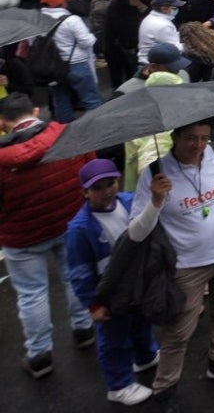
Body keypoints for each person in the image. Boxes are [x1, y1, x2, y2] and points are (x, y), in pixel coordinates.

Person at [128, 119, 214, 409]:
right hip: (187, 266)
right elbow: (136, 232)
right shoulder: (154, 173)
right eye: (190, 139)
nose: (198, 146)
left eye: (203, 137)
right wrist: (156, 201)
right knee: (178, 331)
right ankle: (165, 389)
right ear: (174, 137)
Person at [0, 93, 94, 379]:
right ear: (36, 111)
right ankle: (84, 328)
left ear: (3, 124)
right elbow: (88, 168)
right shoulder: (67, 135)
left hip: (22, 235)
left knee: (32, 294)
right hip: (68, 221)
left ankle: (40, 354)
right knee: (73, 275)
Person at [65, 159, 158, 406]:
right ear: (85, 192)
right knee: (114, 338)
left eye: (111, 183)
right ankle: (119, 385)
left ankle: (145, 355)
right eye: (98, 188)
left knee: (141, 321)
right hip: (109, 291)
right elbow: (79, 272)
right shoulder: (80, 228)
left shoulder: (128, 201)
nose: (107, 191)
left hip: (137, 282)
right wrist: (92, 304)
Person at [38, 0, 103, 123]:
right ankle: (97, 127)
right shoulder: (71, 20)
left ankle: (65, 131)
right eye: (64, 0)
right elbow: (87, 42)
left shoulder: (37, 20)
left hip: (52, 68)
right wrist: (91, 36)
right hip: (76, 64)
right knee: (91, 99)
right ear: (61, 4)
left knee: (60, 100)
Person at [136, 0, 184, 68]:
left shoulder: (150, 18)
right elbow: (174, 50)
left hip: (147, 63)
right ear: (164, 9)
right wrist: (191, 45)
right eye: (174, 7)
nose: (177, 9)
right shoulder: (163, 25)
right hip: (154, 67)